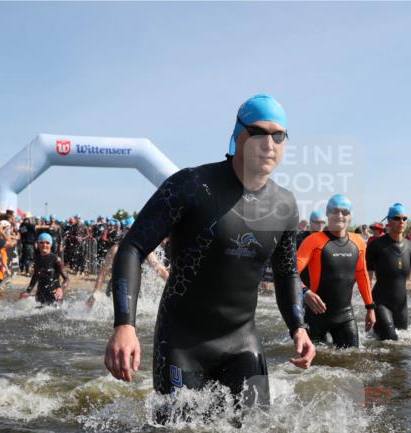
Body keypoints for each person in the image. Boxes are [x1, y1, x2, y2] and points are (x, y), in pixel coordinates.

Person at [104, 93, 314, 409]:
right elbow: (133, 248)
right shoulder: (192, 184)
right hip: (181, 343)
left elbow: (287, 272)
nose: (268, 143)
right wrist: (125, 325)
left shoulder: (284, 205)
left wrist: (298, 326)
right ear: (238, 135)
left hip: (243, 342)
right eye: (258, 132)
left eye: (278, 134)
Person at [295, 194, 374, 348]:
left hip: (345, 316)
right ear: (327, 213)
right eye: (335, 211)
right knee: (311, 368)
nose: (339, 215)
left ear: (350, 216)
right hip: (315, 315)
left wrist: (370, 307)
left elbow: (362, 275)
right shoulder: (313, 240)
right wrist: (305, 292)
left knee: (353, 362)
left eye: (345, 212)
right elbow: (292, 272)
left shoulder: (358, 242)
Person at [365, 203, 411, 340]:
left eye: (405, 218)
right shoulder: (376, 246)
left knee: (401, 346)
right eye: (397, 218)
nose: (402, 221)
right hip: (380, 302)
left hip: (401, 306)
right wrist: (369, 307)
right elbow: (368, 277)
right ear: (389, 220)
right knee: (390, 339)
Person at [20, 233, 69, 305]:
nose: (44, 245)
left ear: (51, 244)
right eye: (41, 242)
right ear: (38, 244)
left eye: (47, 243)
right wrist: (28, 291)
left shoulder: (55, 259)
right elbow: (35, 276)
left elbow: (67, 279)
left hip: (55, 296)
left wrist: (60, 288)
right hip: (40, 295)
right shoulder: (37, 259)